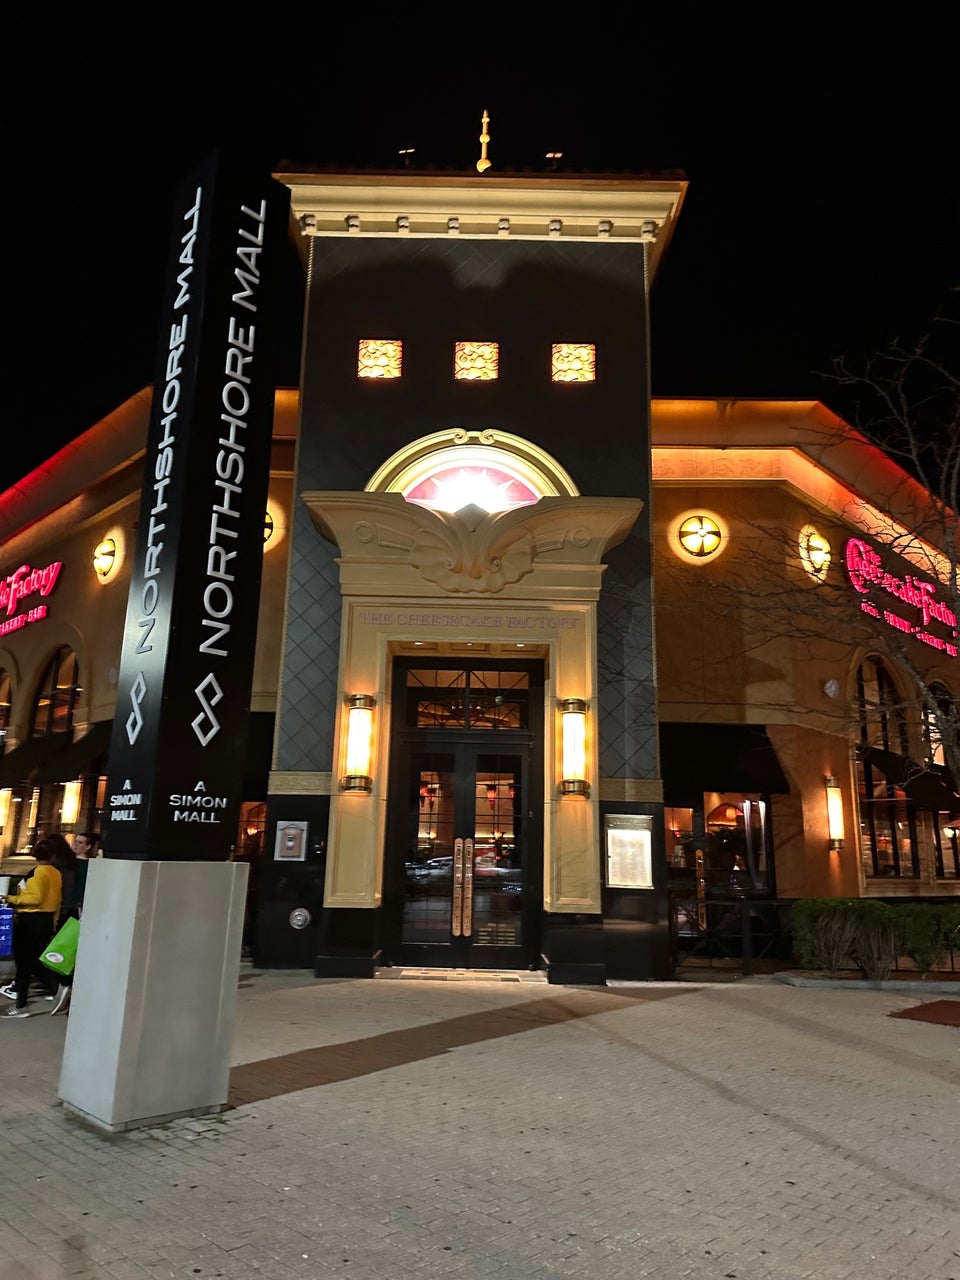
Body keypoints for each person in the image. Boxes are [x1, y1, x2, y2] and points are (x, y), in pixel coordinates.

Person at [0, 837, 63, 1018]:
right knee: (35, 960)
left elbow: (35, 898)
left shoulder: (37, 873)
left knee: (24, 963)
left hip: (30, 920)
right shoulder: (55, 873)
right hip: (46, 919)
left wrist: (10, 898)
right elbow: (57, 899)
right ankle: (55, 987)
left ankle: (21, 1005)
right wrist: (54, 921)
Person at [47, 831, 101, 1016]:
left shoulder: (87, 865)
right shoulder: (69, 863)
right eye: (75, 841)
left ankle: (66, 985)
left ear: (88, 846)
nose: (75, 844)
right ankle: (62, 984)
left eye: (80, 842)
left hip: (78, 910)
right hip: (70, 909)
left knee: (69, 948)